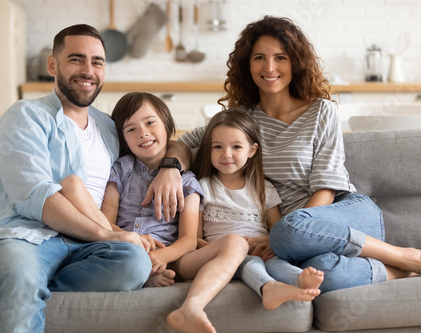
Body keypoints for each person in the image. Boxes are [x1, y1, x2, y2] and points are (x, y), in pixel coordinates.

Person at [0, 24, 190, 332]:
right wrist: (106, 234)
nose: (88, 70)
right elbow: (37, 198)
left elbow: (168, 142)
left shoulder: (108, 126)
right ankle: (11, 278)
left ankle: (1, 282)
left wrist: (170, 165)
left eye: (97, 62)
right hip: (24, 237)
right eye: (76, 59)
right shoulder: (24, 117)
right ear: (52, 64)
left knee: (135, 262)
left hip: (83, 248)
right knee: (21, 271)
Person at [179, 15, 421, 294]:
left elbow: (326, 187)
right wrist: (170, 168)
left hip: (345, 215)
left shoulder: (322, 111)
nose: (269, 67)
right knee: (318, 275)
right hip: (297, 240)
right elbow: (181, 144)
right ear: (248, 64)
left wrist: (282, 235)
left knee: (286, 231)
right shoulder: (240, 121)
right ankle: (395, 272)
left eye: (280, 57)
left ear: (295, 62)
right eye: (259, 57)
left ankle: (406, 256)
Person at [106, 92, 249, 333]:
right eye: (131, 129)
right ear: (122, 139)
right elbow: (105, 222)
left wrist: (162, 257)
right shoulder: (121, 169)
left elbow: (189, 239)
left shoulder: (188, 181)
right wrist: (133, 241)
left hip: (175, 257)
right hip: (126, 247)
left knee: (236, 243)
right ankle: (145, 275)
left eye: (150, 122)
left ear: (167, 125)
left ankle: (191, 306)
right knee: (123, 254)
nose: (143, 132)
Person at [191, 108, 323, 310]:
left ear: (251, 150)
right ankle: (268, 288)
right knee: (248, 262)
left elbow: (278, 232)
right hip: (223, 257)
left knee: (275, 264)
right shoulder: (203, 187)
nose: (226, 154)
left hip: (261, 251)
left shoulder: (264, 188)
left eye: (236, 146)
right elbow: (194, 239)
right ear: (208, 150)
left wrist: (262, 243)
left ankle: (298, 280)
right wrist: (228, 249)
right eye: (217, 147)